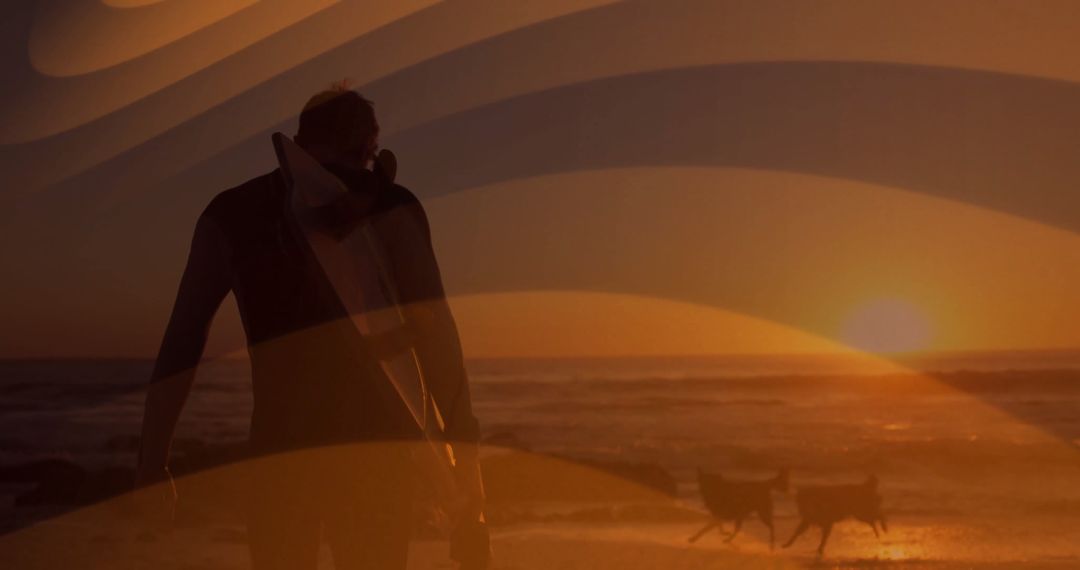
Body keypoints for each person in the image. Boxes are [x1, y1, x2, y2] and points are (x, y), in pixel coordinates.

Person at [134, 85, 484, 570]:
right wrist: (469, 482)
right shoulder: (392, 208)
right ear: (369, 148)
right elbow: (438, 339)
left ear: (301, 139)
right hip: (375, 459)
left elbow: (183, 340)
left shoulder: (233, 215)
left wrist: (154, 460)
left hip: (280, 455)